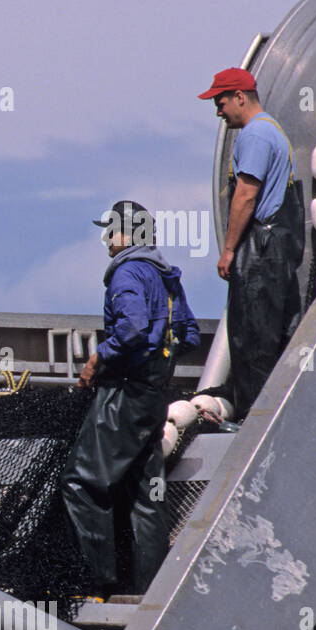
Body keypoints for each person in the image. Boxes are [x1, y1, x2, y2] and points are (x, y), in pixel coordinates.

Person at [61, 201, 201, 596]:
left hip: (122, 393)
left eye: (110, 230)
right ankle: (149, 590)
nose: (106, 238)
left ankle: (96, 585)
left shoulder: (127, 272)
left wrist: (97, 358)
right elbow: (188, 335)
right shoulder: (166, 276)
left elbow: (134, 327)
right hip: (155, 395)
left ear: (127, 236)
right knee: (145, 492)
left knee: (83, 483)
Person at [198, 67, 305, 421]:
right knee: (279, 333)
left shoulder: (255, 135)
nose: (218, 111)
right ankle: (282, 415)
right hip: (278, 249)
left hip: (260, 249)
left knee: (253, 338)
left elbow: (245, 195)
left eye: (221, 101)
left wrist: (229, 249)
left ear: (240, 97)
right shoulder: (274, 131)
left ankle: (254, 421)